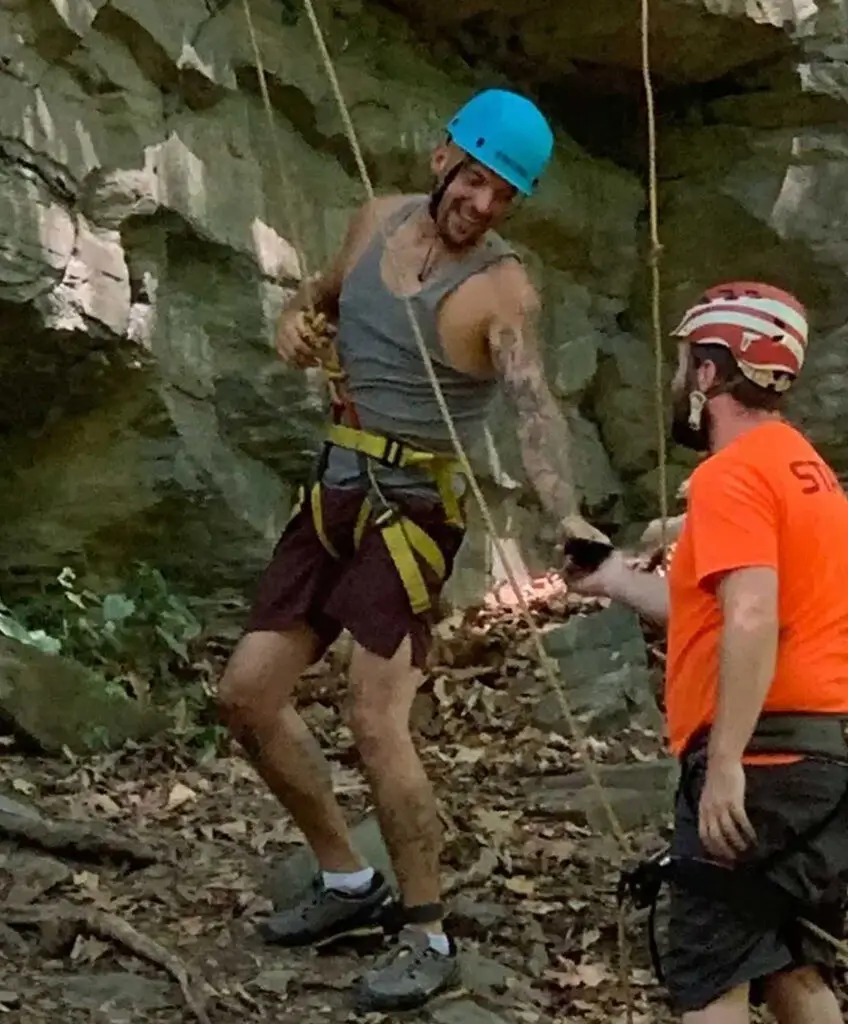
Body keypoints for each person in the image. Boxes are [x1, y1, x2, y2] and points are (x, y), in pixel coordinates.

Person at [218, 87, 609, 1013]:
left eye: (504, 194)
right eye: (475, 179)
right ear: (444, 158)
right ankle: (348, 881)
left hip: (412, 515)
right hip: (334, 494)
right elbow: (318, 302)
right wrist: (294, 323)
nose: (483, 203)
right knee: (245, 697)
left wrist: (567, 514)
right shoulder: (374, 222)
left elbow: (534, 408)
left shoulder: (501, 289)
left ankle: (427, 931)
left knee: (374, 716)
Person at [565, 280, 848, 1024]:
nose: (677, 378)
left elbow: (752, 615)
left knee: (710, 985)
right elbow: (720, 611)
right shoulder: (807, 472)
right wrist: (613, 578)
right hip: (820, 762)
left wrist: (725, 762)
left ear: (710, 373)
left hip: (763, 760)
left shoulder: (731, 475)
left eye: (686, 361)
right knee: (790, 968)